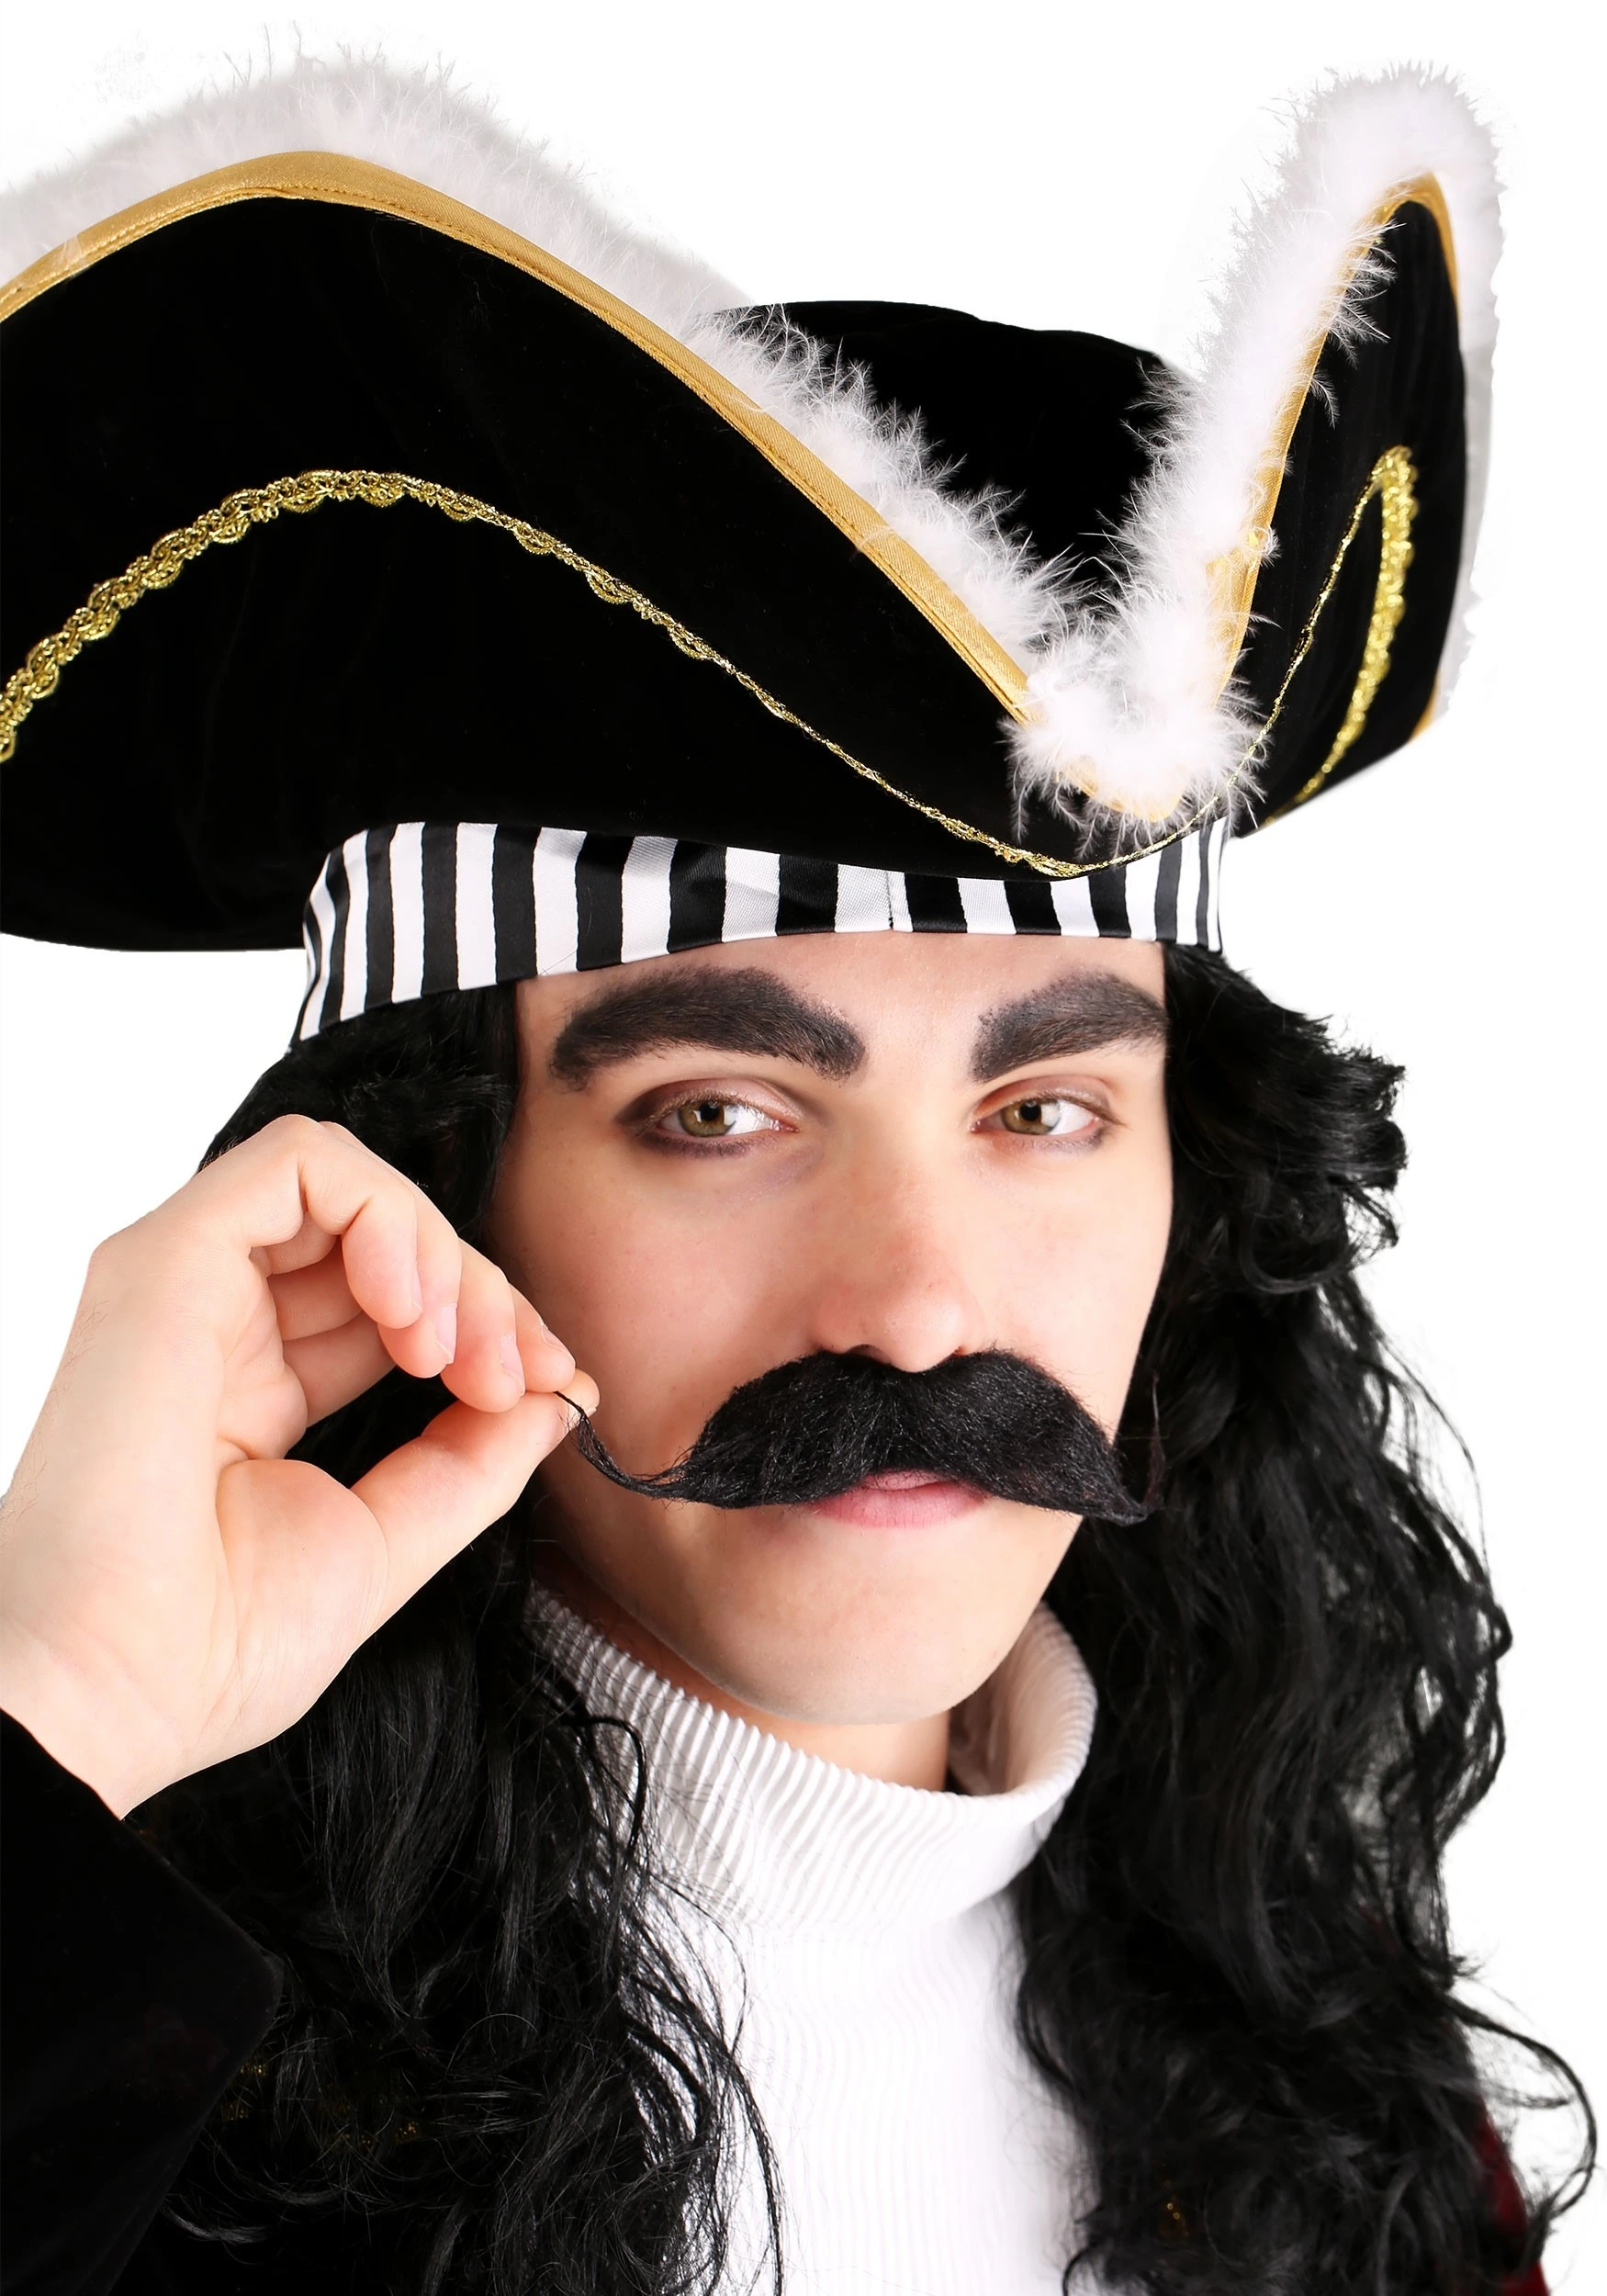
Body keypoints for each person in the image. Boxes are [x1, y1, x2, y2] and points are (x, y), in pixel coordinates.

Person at [0, 55, 1589, 2296]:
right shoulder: (101, 2086)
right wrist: (62, 1706)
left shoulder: (1346, 2112)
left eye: (1044, 1112)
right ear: (419, 1201)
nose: (918, 1302)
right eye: (716, 1114)